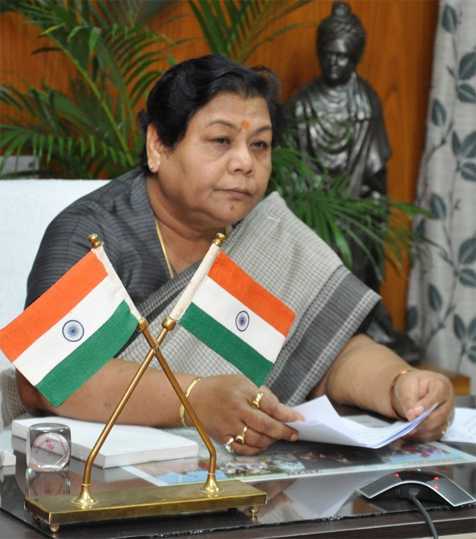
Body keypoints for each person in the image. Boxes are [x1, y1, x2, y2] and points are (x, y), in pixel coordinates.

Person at [16, 55, 453, 457]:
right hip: (97, 476)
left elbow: (328, 354)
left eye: (259, 145)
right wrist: (195, 400)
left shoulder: (267, 236)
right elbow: (45, 377)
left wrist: (401, 385)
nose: (245, 162)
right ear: (158, 146)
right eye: (221, 139)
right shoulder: (93, 236)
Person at [285, 1, 390, 291]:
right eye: (327, 54)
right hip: (310, 210)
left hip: (352, 213)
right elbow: (287, 171)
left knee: (355, 242)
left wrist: (374, 214)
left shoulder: (366, 104)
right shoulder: (301, 105)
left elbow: (375, 178)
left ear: (354, 57)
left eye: (341, 56)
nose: (333, 62)